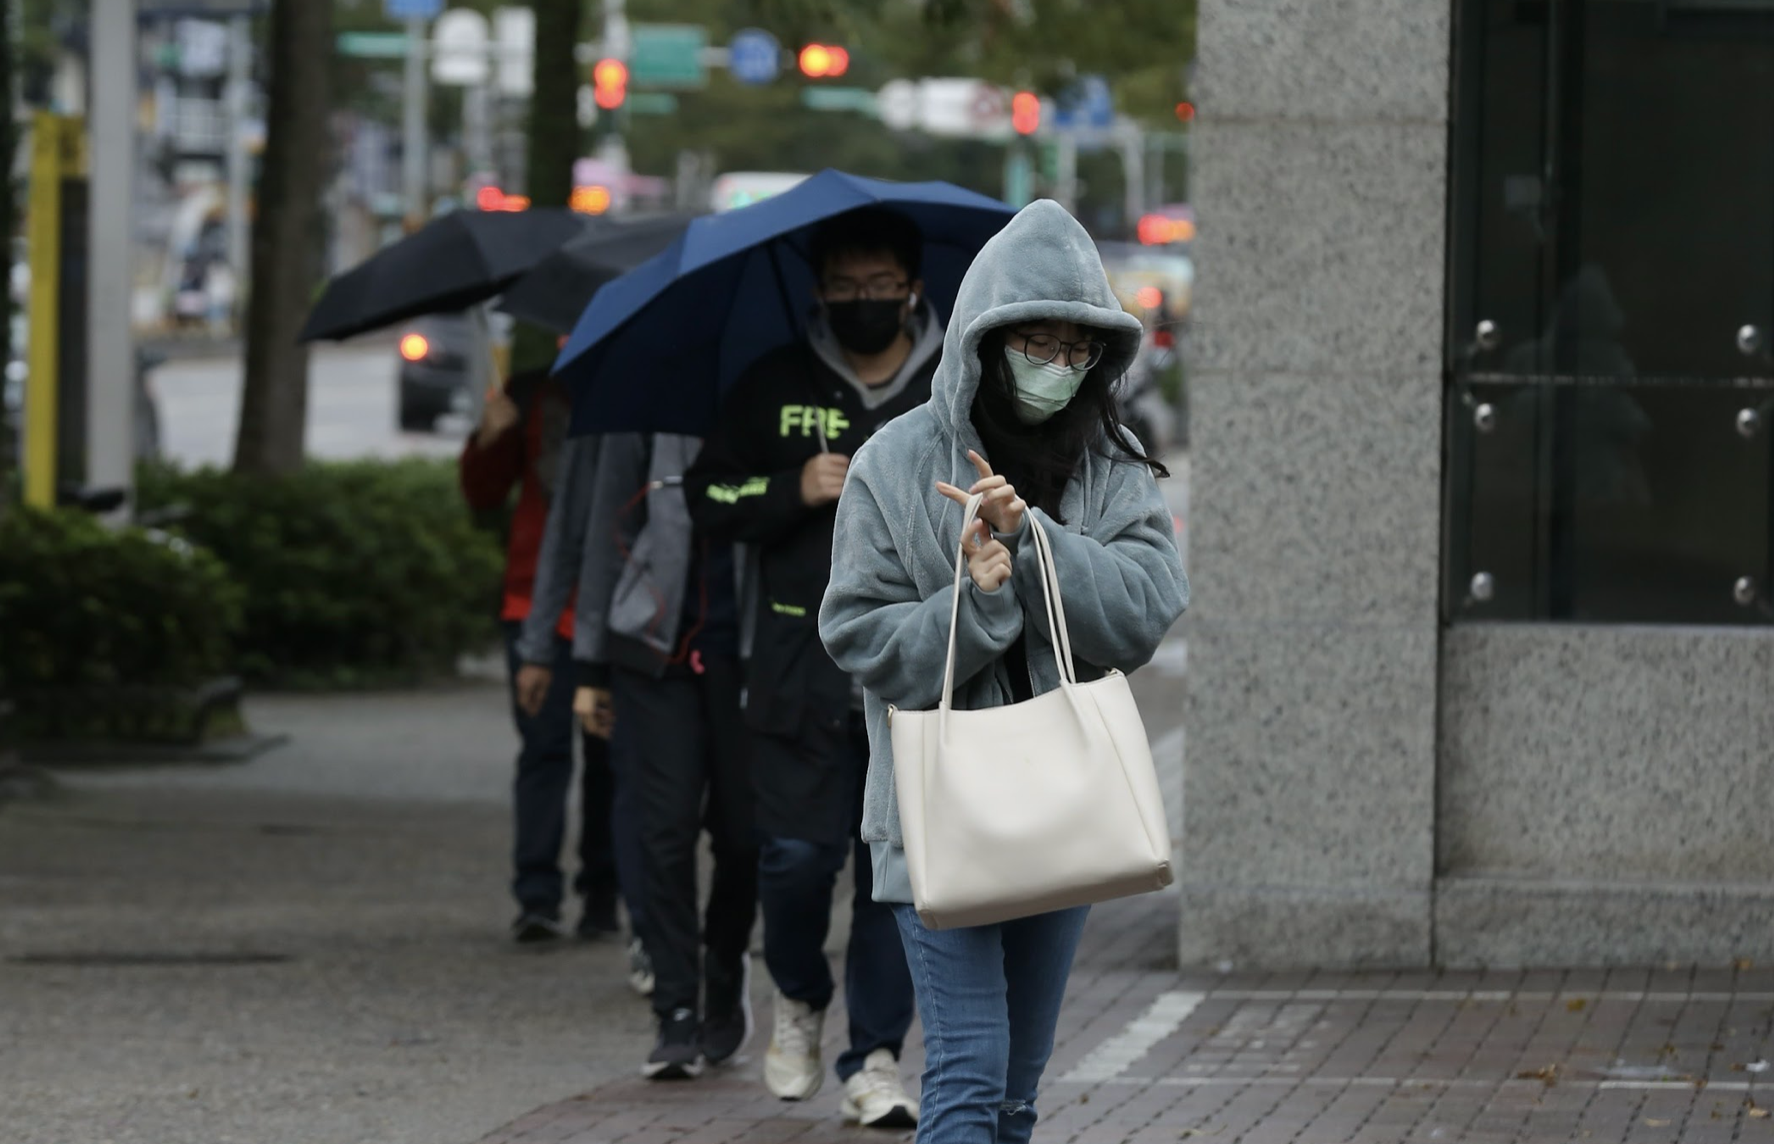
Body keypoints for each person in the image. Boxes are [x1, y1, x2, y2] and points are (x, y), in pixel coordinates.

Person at [818, 200, 1189, 1144]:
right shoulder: (894, 465)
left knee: (1019, 1091)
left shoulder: (1112, 465)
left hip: (1064, 812)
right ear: (986, 339)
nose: (1056, 367)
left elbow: (1145, 612)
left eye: (1078, 351)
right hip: (936, 813)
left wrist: (1034, 546)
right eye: (1038, 342)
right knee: (970, 1073)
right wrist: (975, 601)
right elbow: (858, 636)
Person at [683, 208, 939, 1127]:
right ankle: (796, 992)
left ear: (912, 287)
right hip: (794, 668)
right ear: (819, 293)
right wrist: (790, 488)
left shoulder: (953, 386)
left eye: (879, 287)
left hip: (914, 672)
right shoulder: (775, 384)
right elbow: (706, 493)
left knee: (891, 877)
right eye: (844, 288)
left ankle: (872, 1056)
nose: (863, 304)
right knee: (790, 861)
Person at [571, 433, 758, 1081]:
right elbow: (603, 530)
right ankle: (675, 1007)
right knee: (664, 830)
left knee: (743, 837)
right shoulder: (644, 408)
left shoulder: (773, 391)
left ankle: (725, 972)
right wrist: (589, 663)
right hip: (653, 654)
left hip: (752, 651)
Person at [459, 367, 621, 945]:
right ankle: (536, 896)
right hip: (535, 606)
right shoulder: (528, 395)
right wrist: (490, 436)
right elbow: (482, 494)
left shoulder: (633, 388)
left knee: (610, 757)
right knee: (544, 750)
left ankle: (603, 893)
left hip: (614, 605)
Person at [516, 429, 653, 993]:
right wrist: (541, 645)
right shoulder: (595, 419)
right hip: (592, 632)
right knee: (558, 757)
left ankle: (607, 897)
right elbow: (575, 532)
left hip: (655, 631)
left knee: (618, 775)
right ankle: (541, 894)